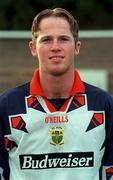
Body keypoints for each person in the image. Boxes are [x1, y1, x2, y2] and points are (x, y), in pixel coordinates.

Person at [0, 7, 113, 180]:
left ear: (76, 47)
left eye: (63, 39)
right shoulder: (7, 106)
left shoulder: (104, 105)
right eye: (46, 40)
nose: (55, 47)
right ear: (33, 48)